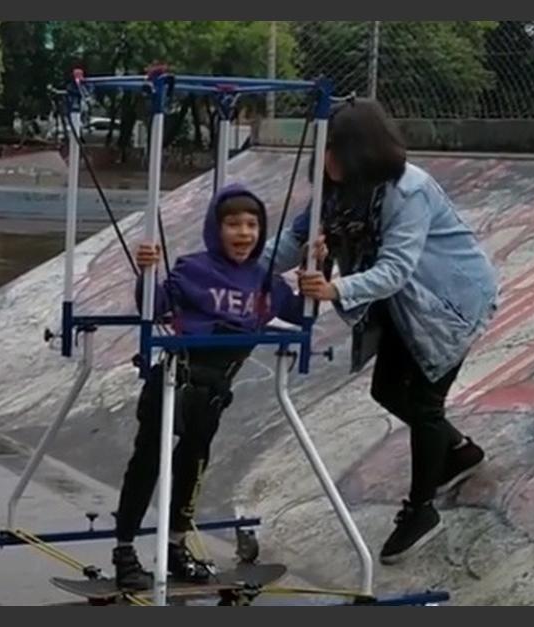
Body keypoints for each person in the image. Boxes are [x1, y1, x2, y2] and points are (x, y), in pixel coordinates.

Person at [263, 98, 498, 565]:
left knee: (426, 403)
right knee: (388, 390)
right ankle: (458, 453)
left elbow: (396, 268)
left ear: (356, 150)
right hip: (404, 308)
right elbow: (291, 242)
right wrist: (237, 263)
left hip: (448, 303)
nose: (323, 159)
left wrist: (333, 289)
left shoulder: (407, 192)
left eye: (330, 150)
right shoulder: (337, 193)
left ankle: (421, 511)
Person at [113, 184, 305, 590]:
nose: (244, 233)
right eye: (233, 224)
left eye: (252, 224)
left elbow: (302, 314)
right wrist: (147, 271)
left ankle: (175, 544)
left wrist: (318, 275)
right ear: (215, 229)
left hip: (214, 394)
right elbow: (157, 306)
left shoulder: (265, 282)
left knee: (194, 464)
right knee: (148, 461)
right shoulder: (193, 269)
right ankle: (125, 550)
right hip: (173, 383)